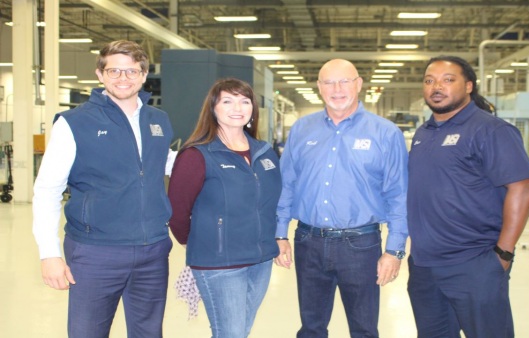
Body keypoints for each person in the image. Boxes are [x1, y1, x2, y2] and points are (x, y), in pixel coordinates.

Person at [32, 40, 175, 338]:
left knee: (149, 332)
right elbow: (47, 190)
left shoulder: (158, 120)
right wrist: (49, 253)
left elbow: (170, 164)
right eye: (114, 71)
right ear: (100, 74)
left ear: (144, 74)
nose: (123, 78)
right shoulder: (74, 123)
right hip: (96, 251)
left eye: (131, 71)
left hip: (152, 250)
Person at [275, 59, 409, 338]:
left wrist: (394, 250)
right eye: (329, 82)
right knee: (311, 328)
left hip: (360, 245)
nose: (337, 89)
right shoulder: (302, 129)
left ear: (358, 84)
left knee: (363, 329)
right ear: (319, 87)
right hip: (308, 242)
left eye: (344, 81)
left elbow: (399, 195)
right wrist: (280, 234)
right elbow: (286, 184)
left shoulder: (385, 133)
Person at [407, 55, 529, 338]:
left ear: (468, 86)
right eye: (429, 81)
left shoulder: (491, 130)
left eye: (447, 80)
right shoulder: (423, 133)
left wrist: (503, 252)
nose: (436, 87)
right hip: (424, 267)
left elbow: (522, 188)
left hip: (474, 263)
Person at [168, 78, 282, 338]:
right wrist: (199, 241)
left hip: (261, 259)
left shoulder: (264, 153)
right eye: (227, 101)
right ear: (213, 108)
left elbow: (273, 202)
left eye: (244, 101)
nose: (237, 107)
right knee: (230, 333)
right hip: (219, 263)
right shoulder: (197, 155)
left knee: (239, 331)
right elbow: (176, 211)